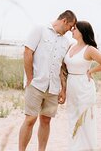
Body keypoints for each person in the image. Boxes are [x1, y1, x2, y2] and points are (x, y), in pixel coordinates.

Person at [18, 10, 77, 151]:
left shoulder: (66, 42)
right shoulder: (40, 29)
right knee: (30, 119)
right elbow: (27, 52)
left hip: (53, 88)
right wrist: (30, 78)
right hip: (36, 85)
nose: (70, 30)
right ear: (64, 21)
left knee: (46, 120)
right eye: (70, 26)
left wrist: (63, 89)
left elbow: (62, 67)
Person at [63, 21, 101, 151]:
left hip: (84, 86)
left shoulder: (89, 49)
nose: (72, 30)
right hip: (71, 84)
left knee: (85, 119)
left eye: (75, 29)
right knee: (72, 117)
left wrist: (91, 71)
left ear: (82, 32)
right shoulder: (71, 46)